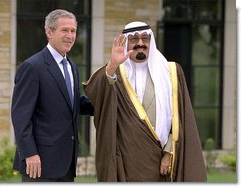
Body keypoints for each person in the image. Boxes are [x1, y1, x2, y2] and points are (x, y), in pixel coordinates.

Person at [83, 21, 207, 182]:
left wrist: (169, 153)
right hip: (126, 163)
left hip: (162, 161)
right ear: (126, 42)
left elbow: (181, 118)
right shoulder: (116, 74)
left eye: (145, 38)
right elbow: (98, 96)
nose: (140, 43)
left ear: (151, 41)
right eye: (134, 39)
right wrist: (112, 65)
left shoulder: (171, 72)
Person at [11, 9, 94, 182]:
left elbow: (73, 103)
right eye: (65, 30)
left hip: (66, 162)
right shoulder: (32, 67)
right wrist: (30, 153)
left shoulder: (71, 66)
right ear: (49, 32)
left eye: (73, 31)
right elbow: (20, 116)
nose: (70, 36)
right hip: (39, 163)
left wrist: (105, 103)